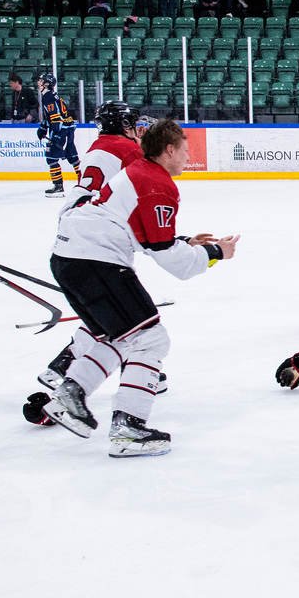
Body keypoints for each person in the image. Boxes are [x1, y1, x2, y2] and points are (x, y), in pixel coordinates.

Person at [41, 119, 238, 457]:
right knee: (150, 338)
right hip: (96, 261)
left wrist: (183, 241)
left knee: (121, 336)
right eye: (186, 150)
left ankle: (69, 395)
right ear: (170, 150)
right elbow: (176, 264)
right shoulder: (157, 184)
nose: (188, 156)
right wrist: (216, 252)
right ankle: (128, 428)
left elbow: (140, 231)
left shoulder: (139, 171)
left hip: (69, 256)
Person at [34, 101, 149, 393]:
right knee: (126, 313)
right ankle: (132, 370)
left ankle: (61, 367)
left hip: (73, 227)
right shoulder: (129, 150)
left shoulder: (98, 146)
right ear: (124, 125)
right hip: (99, 237)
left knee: (108, 308)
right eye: (132, 124)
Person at [37, 70, 80, 197]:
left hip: (62, 130)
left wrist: (56, 134)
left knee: (51, 158)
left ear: (46, 84)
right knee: (72, 157)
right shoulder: (51, 95)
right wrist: (43, 128)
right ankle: (84, 182)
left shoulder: (48, 96)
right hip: (67, 128)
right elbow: (49, 117)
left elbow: (55, 117)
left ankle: (58, 186)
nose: (38, 83)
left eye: (41, 81)